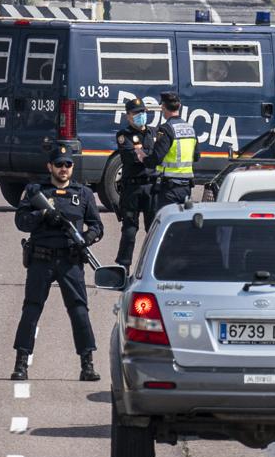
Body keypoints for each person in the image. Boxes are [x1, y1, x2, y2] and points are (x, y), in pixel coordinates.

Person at [11, 144, 104, 382]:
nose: (64, 169)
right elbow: (21, 221)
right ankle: (21, 363)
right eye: (59, 164)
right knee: (31, 310)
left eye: (68, 165)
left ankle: (87, 364)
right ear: (49, 166)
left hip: (70, 260)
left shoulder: (83, 194)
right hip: (41, 259)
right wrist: (42, 214)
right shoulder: (35, 191)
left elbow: (97, 226)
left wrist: (86, 240)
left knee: (79, 311)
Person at [114, 98, 157, 268]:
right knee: (130, 230)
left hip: (152, 187)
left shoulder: (155, 133)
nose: (141, 116)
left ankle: (152, 267)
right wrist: (149, 155)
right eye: (136, 113)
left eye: (143, 112)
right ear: (128, 116)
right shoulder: (123, 136)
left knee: (153, 230)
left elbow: (157, 155)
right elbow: (134, 157)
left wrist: (146, 154)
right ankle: (123, 267)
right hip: (132, 188)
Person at [147, 92, 197, 212]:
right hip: (186, 188)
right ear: (179, 106)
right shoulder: (190, 128)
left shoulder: (166, 129)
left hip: (169, 189)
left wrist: (143, 158)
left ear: (163, 107)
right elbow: (196, 156)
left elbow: (157, 158)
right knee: (181, 223)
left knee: (166, 221)